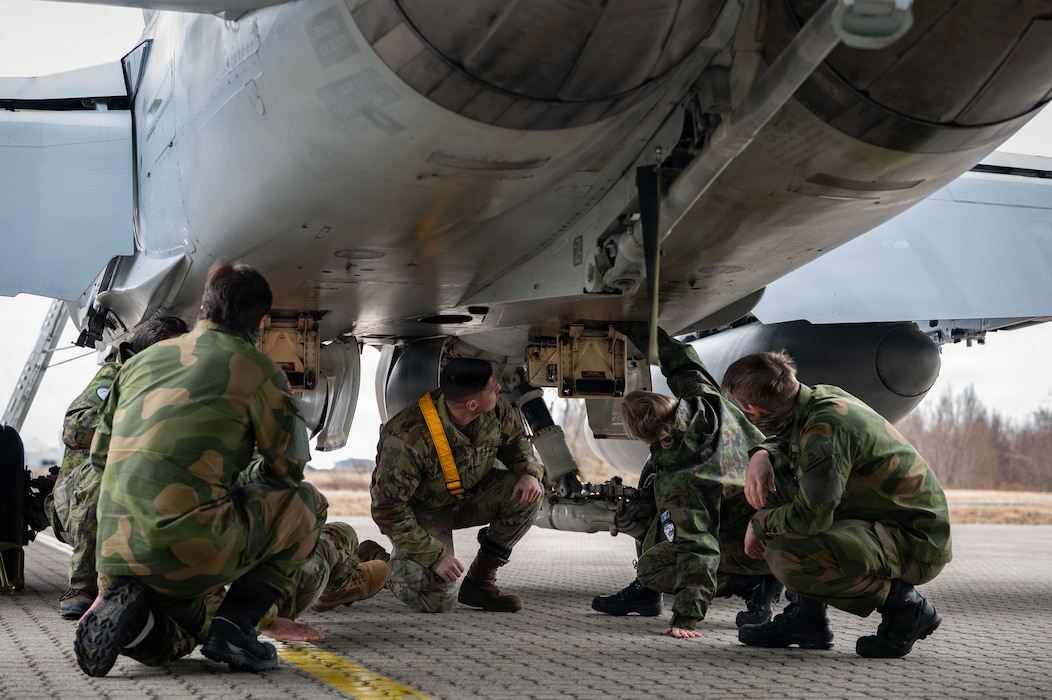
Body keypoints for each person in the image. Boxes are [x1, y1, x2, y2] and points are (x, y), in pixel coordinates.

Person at [74, 260, 326, 677]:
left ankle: (134, 622)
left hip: (114, 552)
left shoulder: (138, 363)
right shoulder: (257, 370)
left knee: (179, 634)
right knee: (307, 504)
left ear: (204, 310)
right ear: (262, 323)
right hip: (188, 549)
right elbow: (287, 470)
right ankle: (236, 627)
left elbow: (100, 458)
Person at [721, 350, 952, 658]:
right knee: (770, 490)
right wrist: (763, 454)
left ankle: (907, 608)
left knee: (788, 555)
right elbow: (795, 438)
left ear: (754, 410)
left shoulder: (824, 434)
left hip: (914, 542)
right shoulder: (819, 399)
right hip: (885, 521)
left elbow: (811, 519)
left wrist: (759, 524)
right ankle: (807, 619)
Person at [590, 323, 780, 639]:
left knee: (652, 566)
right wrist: (637, 326)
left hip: (756, 541)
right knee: (661, 520)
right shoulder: (705, 400)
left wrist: (685, 618)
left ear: (641, 437)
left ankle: (753, 582)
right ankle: (646, 596)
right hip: (768, 514)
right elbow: (682, 360)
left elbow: (699, 547)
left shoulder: (681, 480)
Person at [371, 357, 544, 613]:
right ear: (472, 404)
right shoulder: (407, 436)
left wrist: (528, 471)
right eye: (493, 386)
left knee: (528, 495)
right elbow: (388, 510)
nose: (499, 389)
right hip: (422, 512)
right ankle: (374, 561)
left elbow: (515, 440)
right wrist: (434, 556)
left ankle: (480, 583)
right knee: (436, 599)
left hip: (467, 497)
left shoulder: (496, 409)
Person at [48, 316, 189, 619]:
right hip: (80, 499)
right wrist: (134, 428)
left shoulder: (186, 389)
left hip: (141, 497)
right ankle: (82, 585)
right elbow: (74, 428)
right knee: (107, 475)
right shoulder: (116, 375)